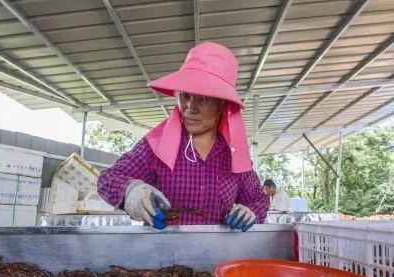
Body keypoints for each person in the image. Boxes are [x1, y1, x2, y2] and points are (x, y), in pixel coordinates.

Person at [97, 42, 269, 231]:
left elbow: (258, 199)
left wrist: (251, 211)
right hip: (163, 254)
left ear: (222, 104)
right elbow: (108, 178)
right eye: (185, 96)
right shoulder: (155, 147)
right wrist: (132, 192)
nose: (190, 107)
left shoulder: (234, 156)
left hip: (220, 256)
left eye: (203, 98)